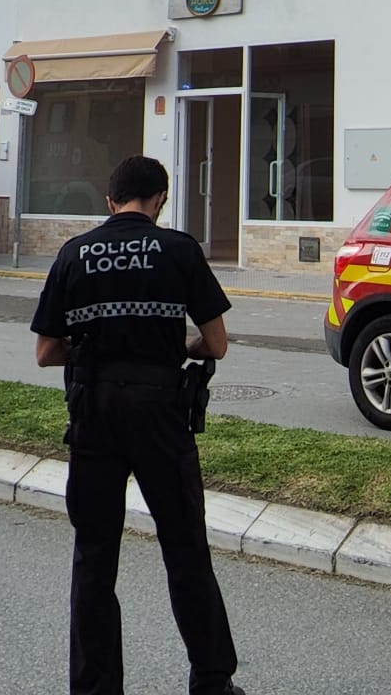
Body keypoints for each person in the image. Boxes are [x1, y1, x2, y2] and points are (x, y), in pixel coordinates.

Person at [31, 156, 243, 695]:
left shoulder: (73, 254)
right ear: (160, 201)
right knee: (185, 548)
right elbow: (215, 344)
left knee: (95, 557)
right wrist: (176, 345)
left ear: (110, 201)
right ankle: (212, 682)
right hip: (161, 414)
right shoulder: (178, 250)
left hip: (94, 413)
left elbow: (46, 351)